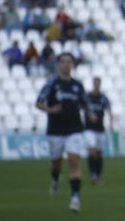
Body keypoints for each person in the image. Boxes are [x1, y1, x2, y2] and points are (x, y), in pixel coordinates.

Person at [36, 53, 88, 212]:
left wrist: (90, 113)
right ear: (58, 65)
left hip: (74, 128)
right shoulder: (51, 84)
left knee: (74, 160)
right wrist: (50, 109)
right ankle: (56, 178)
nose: (66, 65)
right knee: (56, 165)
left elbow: (84, 103)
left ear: (73, 64)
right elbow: (39, 103)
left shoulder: (78, 85)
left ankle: (75, 198)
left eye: (69, 62)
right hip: (56, 130)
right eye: (63, 62)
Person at [83, 76, 113, 185]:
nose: (96, 85)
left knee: (99, 153)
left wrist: (111, 124)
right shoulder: (87, 97)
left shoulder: (104, 98)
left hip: (100, 129)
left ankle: (98, 175)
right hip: (89, 129)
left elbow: (109, 111)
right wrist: (89, 115)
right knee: (92, 150)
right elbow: (83, 107)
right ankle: (93, 175)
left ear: (100, 84)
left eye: (98, 83)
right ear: (93, 84)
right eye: (95, 83)